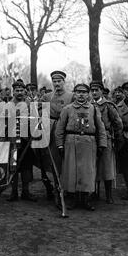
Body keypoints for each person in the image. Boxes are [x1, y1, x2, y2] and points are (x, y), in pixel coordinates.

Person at [55, 83, 107, 211]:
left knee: (87, 171)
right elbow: (59, 129)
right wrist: (60, 145)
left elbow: (101, 128)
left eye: (84, 92)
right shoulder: (67, 109)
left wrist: (102, 144)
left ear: (88, 94)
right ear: (75, 94)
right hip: (71, 142)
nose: (81, 95)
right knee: (71, 171)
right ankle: (73, 199)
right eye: (78, 92)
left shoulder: (93, 109)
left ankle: (86, 200)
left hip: (89, 143)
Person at [37, 70, 73, 199]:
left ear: (64, 82)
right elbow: (38, 108)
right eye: (54, 81)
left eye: (59, 81)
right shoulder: (47, 97)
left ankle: (69, 188)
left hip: (67, 131)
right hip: (52, 131)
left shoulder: (71, 96)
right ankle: (57, 188)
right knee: (54, 160)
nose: (57, 83)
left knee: (68, 159)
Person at [90, 81, 123, 204]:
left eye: (96, 90)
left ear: (101, 91)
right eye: (92, 90)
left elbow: (118, 123)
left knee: (107, 166)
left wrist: (118, 139)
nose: (94, 92)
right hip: (92, 138)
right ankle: (94, 192)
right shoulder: (88, 105)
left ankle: (109, 195)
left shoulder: (108, 105)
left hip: (107, 138)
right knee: (93, 166)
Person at [6, 80, 37, 202]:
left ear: (24, 91)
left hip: (26, 140)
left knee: (26, 166)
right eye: (17, 91)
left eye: (21, 90)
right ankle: (13, 193)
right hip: (13, 140)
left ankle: (26, 192)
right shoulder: (8, 105)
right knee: (13, 166)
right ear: (13, 92)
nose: (19, 93)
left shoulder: (29, 103)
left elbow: (35, 118)